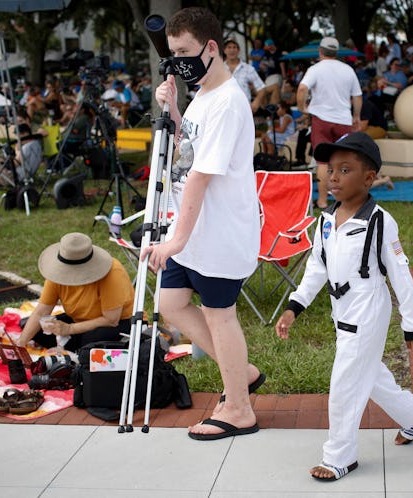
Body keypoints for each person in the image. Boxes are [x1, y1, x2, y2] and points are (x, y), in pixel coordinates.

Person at [275, 132, 413, 482]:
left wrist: (412, 326)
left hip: (368, 312)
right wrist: (294, 307)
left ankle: (339, 456)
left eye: (345, 170)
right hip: (340, 311)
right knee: (369, 374)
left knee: (345, 382)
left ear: (369, 178)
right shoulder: (326, 221)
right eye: (331, 170)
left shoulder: (379, 222)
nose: (334, 178)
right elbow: (317, 268)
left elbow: (401, 276)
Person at [144, 6, 262, 440]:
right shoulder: (202, 95)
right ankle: (241, 374)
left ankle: (238, 409)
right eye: (172, 52)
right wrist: (175, 110)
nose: (177, 60)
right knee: (171, 304)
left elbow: (198, 177)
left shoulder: (228, 102)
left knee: (219, 316)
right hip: (195, 231)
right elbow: (189, 148)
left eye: (185, 51)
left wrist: (175, 239)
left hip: (218, 232)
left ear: (211, 48)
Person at [17, 233, 134, 353]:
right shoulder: (56, 273)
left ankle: (77, 349)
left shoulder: (112, 272)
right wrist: (20, 344)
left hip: (118, 322)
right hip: (78, 319)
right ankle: (74, 348)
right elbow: (41, 312)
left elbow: (111, 320)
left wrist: (70, 329)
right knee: (30, 327)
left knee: (90, 343)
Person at [297, 36, 363, 209]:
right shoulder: (348, 70)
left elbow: (302, 88)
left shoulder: (315, 69)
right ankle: (347, 200)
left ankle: (322, 200)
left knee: (322, 161)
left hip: (321, 119)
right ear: (336, 52)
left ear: (320, 51)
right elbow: (357, 96)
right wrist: (356, 116)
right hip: (343, 120)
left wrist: (302, 107)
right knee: (346, 161)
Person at [223, 37, 266, 114]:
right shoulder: (219, 69)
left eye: (234, 47)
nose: (232, 50)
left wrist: (257, 101)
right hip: (224, 110)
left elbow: (261, 88)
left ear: (238, 50)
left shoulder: (248, 69)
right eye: (229, 47)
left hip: (243, 110)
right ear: (224, 50)